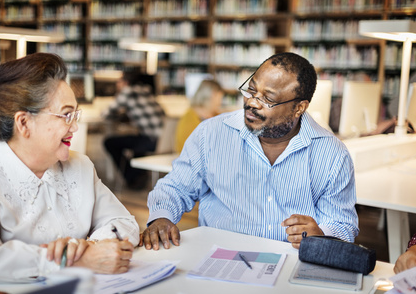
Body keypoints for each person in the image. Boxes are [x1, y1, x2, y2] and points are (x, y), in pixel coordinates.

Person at [141, 52, 359, 250]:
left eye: (268, 98)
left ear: (299, 107)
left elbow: (343, 225)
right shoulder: (211, 133)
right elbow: (175, 187)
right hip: (219, 257)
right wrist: (161, 217)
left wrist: (322, 235)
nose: (252, 102)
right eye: (251, 89)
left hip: (291, 263)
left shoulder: (332, 154)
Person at [0, 53, 140, 282]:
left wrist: (89, 246)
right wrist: (73, 260)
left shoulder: (80, 166)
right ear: (24, 123)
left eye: (75, 115)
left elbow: (124, 223)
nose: (75, 127)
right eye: (66, 115)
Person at [103, 72, 165, 189]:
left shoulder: (127, 92)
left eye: (119, 81)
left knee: (110, 142)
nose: (117, 84)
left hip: (150, 140)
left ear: (125, 83)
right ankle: (138, 176)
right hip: (163, 140)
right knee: (134, 140)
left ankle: (133, 177)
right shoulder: (146, 91)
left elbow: (106, 113)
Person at [175, 79, 224, 153]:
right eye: (220, 97)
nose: (220, 102)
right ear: (213, 95)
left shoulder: (217, 115)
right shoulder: (189, 119)